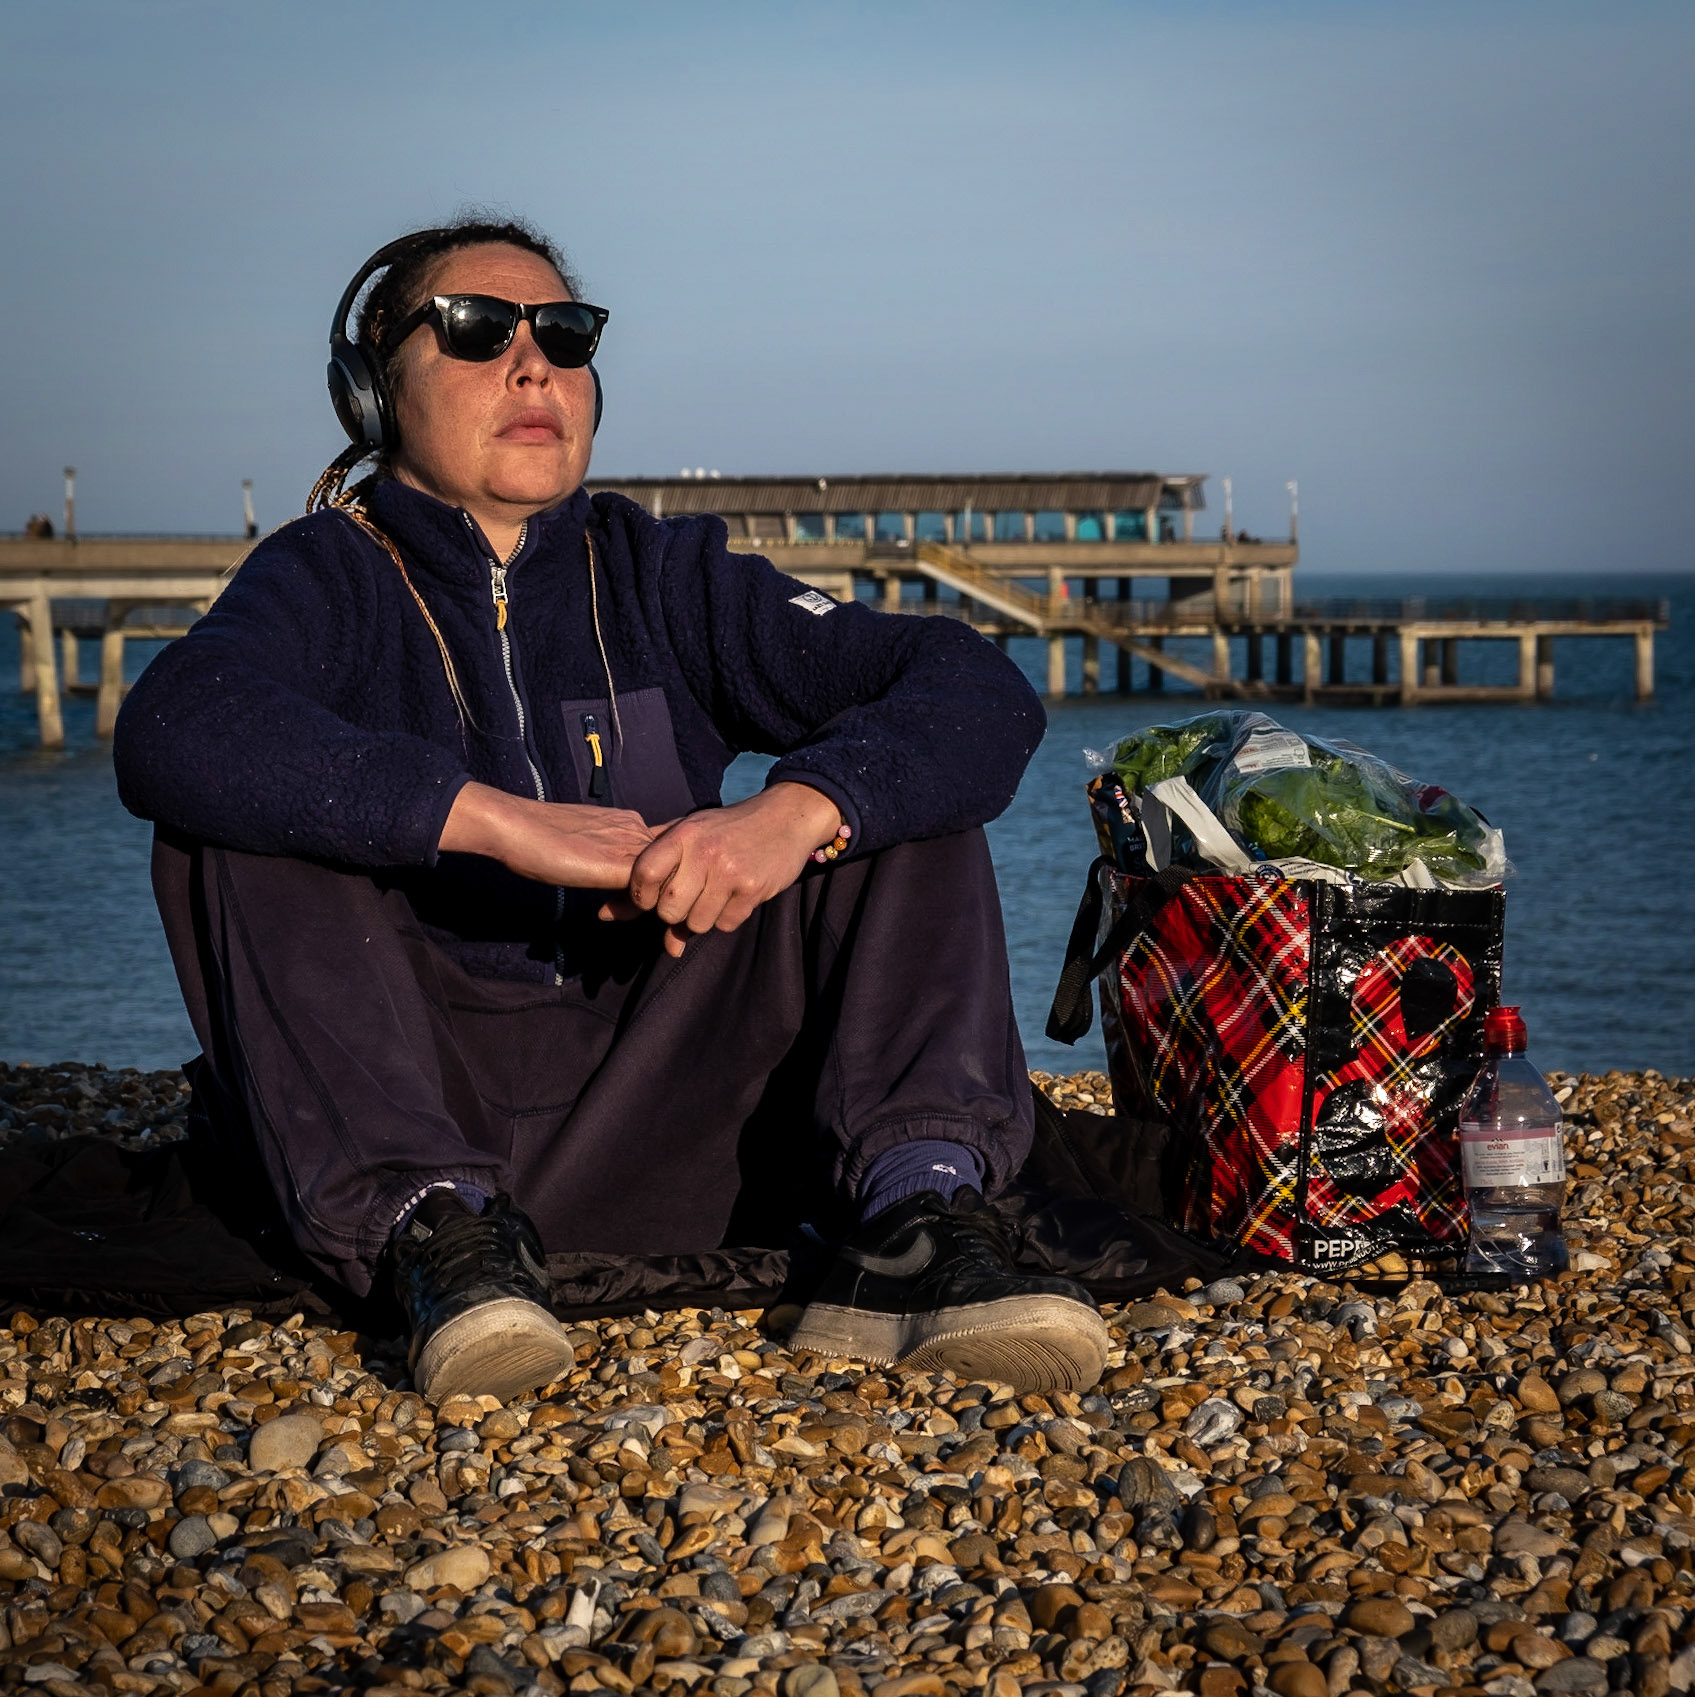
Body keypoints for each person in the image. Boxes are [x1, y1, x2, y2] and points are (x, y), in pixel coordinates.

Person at [114, 217, 1109, 1403]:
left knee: (887, 785)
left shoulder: (661, 575)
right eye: (477, 330)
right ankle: (436, 1239)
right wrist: (483, 815)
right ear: (372, 392)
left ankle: (915, 1220)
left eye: (565, 334)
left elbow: (969, 686)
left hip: (676, 1094)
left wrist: (793, 812)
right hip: (415, 1104)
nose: (533, 365)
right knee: (237, 812)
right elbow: (174, 724)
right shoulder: (324, 576)